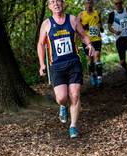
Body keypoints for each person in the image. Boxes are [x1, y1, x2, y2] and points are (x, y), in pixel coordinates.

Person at [37, 0, 93, 138]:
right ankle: (63, 106)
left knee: (74, 95)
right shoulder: (47, 24)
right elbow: (40, 44)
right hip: (56, 66)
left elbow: (83, 35)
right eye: (52, 2)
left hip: (73, 63)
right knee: (62, 98)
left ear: (63, 4)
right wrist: (42, 64)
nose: (56, 4)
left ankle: (73, 126)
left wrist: (89, 44)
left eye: (58, 1)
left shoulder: (72, 19)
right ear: (49, 7)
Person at [78, 0, 104, 87]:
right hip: (87, 40)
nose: (88, 5)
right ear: (84, 4)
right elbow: (76, 26)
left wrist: (101, 28)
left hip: (96, 39)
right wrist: (83, 27)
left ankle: (100, 77)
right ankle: (93, 75)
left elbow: (99, 23)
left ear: (92, 4)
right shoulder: (81, 14)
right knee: (90, 60)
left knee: (97, 56)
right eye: (87, 3)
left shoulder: (97, 13)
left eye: (90, 3)